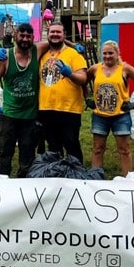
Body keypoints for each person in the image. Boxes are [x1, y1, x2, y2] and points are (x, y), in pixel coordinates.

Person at [86, 40, 134, 176]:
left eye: (110, 53)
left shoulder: (124, 68)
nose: (107, 56)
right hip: (100, 116)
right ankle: (96, 177)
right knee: (98, 148)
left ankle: (127, 179)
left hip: (120, 116)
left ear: (117, 53)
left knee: (124, 149)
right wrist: (86, 98)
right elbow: (82, 81)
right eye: (105, 53)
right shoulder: (95, 68)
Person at [0, 23, 41, 177]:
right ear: (15, 36)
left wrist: (75, 45)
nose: (25, 39)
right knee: (4, 152)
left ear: (32, 37)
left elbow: (57, 39)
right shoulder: (6, 57)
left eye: (28, 36)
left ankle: (24, 187)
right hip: (9, 114)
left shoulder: (37, 51)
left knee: (28, 154)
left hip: (30, 116)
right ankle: (2, 181)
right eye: (22, 35)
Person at [37, 21, 87, 163]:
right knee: (53, 147)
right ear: (48, 34)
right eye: (52, 32)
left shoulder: (73, 54)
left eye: (58, 32)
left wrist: (70, 74)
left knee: (71, 145)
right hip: (46, 108)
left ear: (64, 35)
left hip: (68, 109)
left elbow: (83, 78)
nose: (55, 35)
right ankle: (57, 174)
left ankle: (76, 175)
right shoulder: (43, 54)